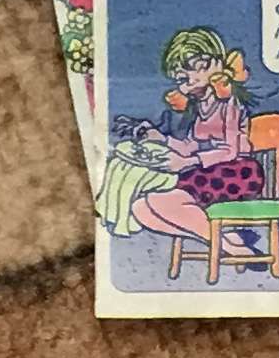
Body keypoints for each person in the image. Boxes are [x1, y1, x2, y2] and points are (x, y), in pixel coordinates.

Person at [112, 24, 269, 260]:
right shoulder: (200, 106)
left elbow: (229, 150)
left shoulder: (229, 102)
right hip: (206, 173)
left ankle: (231, 246)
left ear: (213, 65)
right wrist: (160, 138)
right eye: (180, 79)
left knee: (158, 201)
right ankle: (230, 244)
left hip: (238, 173)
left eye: (189, 74)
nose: (184, 84)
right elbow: (190, 145)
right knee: (140, 209)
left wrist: (188, 162)